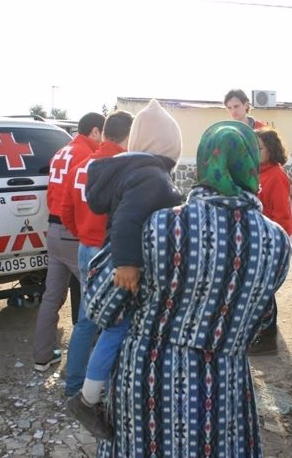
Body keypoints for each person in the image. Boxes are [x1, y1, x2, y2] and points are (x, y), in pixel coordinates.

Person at [83, 120, 292, 456]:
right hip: (224, 388)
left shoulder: (161, 225)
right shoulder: (277, 243)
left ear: (204, 162)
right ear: (251, 164)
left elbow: (99, 306)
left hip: (148, 386)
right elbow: (262, 321)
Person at [62, 99, 184, 411]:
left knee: (104, 324)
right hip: (125, 265)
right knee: (115, 328)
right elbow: (129, 219)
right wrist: (127, 264)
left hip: (108, 255)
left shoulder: (133, 171)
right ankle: (88, 398)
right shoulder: (150, 176)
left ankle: (94, 389)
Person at [32, 112, 105, 372]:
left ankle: (42, 356)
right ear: (94, 132)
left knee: (52, 296)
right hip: (72, 232)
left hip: (53, 231)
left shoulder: (61, 152)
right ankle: (83, 364)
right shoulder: (85, 155)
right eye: (102, 134)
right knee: (93, 298)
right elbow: (83, 198)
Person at [248, 126, 292, 356]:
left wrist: (271, 241)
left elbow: (283, 217)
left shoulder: (276, 176)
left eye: (260, 147)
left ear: (271, 149)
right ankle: (260, 335)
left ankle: (268, 341)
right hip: (258, 240)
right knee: (258, 290)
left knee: (265, 292)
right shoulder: (258, 172)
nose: (255, 151)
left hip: (269, 242)